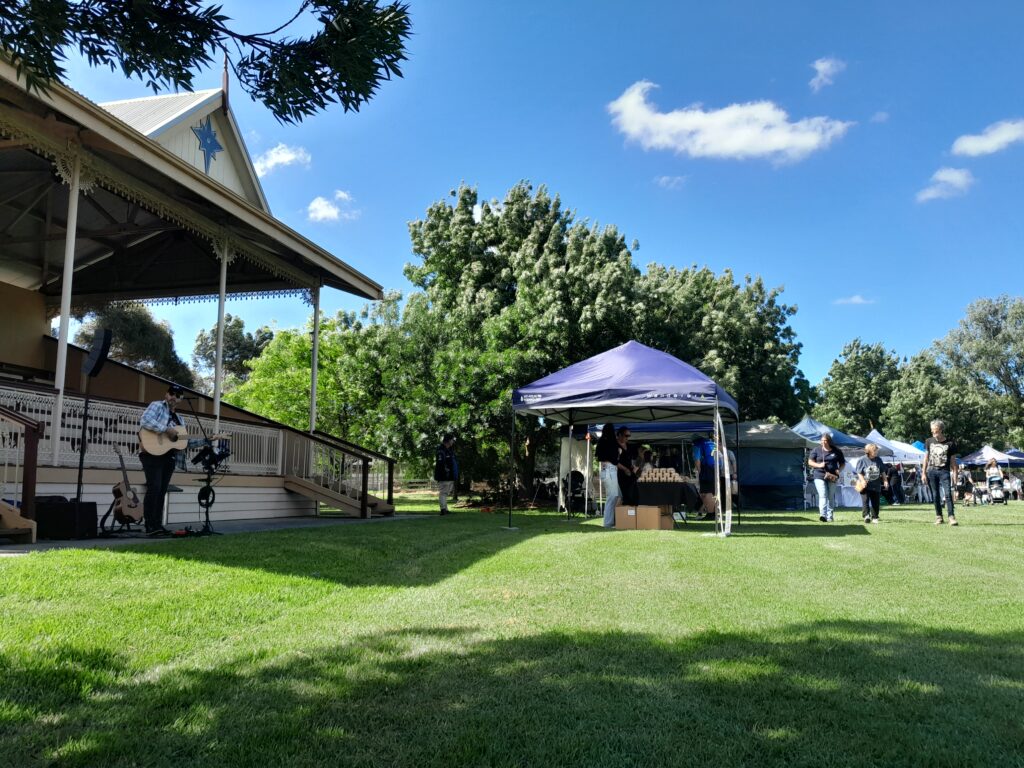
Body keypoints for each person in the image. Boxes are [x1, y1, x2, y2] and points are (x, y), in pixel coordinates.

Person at [138, 384, 204, 535]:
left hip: (169, 457)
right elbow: (145, 420)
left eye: (177, 395)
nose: (173, 396)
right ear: (167, 394)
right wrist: (166, 429)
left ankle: (157, 525)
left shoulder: (180, 419)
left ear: (181, 399)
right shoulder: (157, 406)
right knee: (154, 488)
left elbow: (184, 442)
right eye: (171, 393)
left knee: (161, 491)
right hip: (151, 454)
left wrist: (206, 440)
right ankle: (149, 525)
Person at [922, 419, 958, 525]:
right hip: (931, 471)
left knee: (947, 494)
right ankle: (939, 517)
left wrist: (955, 474)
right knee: (935, 495)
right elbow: (926, 458)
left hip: (944, 471)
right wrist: (923, 473)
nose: (934, 433)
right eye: (932, 431)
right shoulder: (929, 441)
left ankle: (951, 517)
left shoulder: (950, 443)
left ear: (941, 430)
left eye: (936, 431)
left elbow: (953, 461)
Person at [808, 433, 845, 523]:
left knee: (830, 496)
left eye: (825, 440)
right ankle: (823, 515)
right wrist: (819, 465)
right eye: (821, 441)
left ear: (829, 441)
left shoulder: (837, 451)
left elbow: (842, 463)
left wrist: (839, 470)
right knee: (823, 495)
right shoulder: (816, 450)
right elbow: (810, 462)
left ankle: (830, 516)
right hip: (819, 475)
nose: (823, 442)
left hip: (832, 476)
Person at [596, 423, 622, 528]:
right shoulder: (612, 442)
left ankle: (611, 521)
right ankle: (608, 522)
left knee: (613, 496)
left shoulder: (601, 441)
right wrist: (619, 453)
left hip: (604, 469)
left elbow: (598, 456)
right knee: (613, 496)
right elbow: (614, 459)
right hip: (610, 470)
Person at [855, 443, 888, 523]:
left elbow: (882, 471)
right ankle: (866, 516)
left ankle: (875, 517)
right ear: (869, 451)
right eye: (874, 450)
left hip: (876, 485)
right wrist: (862, 481)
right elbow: (859, 472)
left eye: (876, 450)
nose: (876, 452)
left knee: (875, 502)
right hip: (865, 484)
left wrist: (885, 481)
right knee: (865, 501)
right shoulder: (862, 460)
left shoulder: (878, 459)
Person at [691, 433, 721, 521]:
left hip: (706, 469)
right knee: (712, 491)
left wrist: (699, 471)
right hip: (716, 468)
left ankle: (711, 514)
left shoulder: (697, 444)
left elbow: (697, 459)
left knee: (706, 492)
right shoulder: (711, 443)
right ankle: (714, 513)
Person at [433, 434, 457, 515]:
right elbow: (440, 463)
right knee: (443, 492)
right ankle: (443, 509)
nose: (453, 442)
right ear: (448, 440)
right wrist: (445, 471)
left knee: (445, 493)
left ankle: (445, 509)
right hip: (444, 476)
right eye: (452, 440)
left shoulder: (449, 450)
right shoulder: (441, 450)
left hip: (449, 476)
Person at [616, 427, 639, 505]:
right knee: (623, 495)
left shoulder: (629, 446)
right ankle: (624, 513)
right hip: (619, 474)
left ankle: (632, 512)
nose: (627, 438)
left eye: (629, 436)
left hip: (630, 473)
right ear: (619, 435)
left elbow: (631, 459)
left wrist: (633, 466)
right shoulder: (615, 446)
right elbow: (614, 461)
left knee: (632, 493)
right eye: (626, 435)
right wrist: (624, 469)